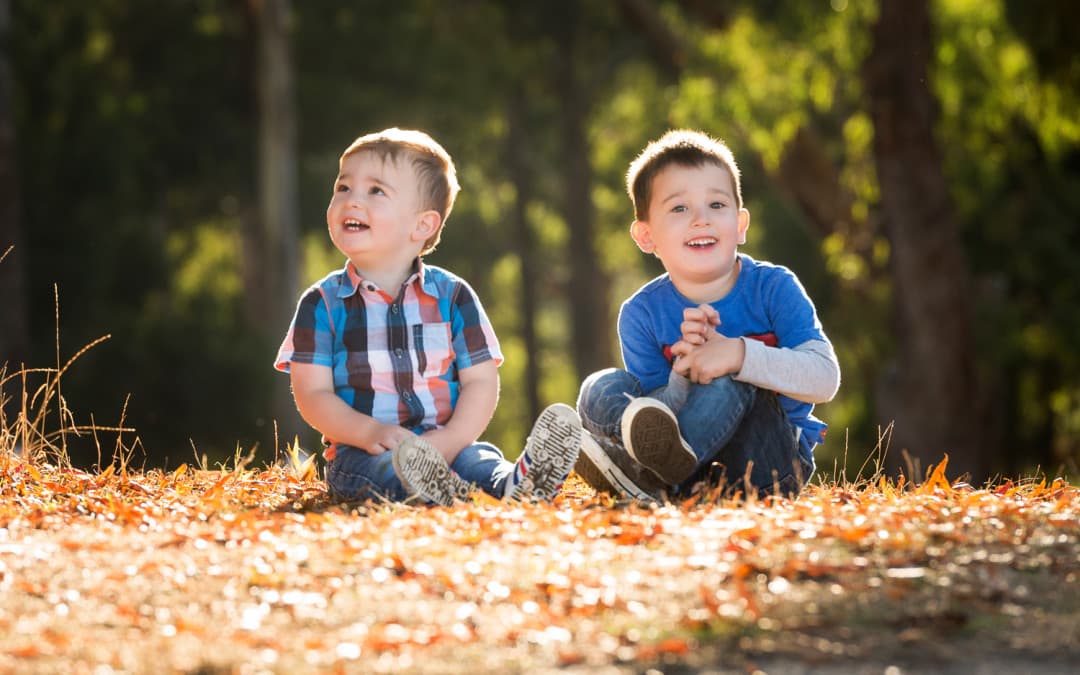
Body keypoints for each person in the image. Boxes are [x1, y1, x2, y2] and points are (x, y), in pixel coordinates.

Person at [275, 128, 581, 506]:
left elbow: (481, 382)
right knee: (387, 474)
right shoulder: (322, 304)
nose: (352, 201)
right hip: (362, 453)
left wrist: (451, 440)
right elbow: (312, 393)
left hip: (445, 441)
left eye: (376, 191)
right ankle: (440, 495)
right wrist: (367, 430)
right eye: (343, 188)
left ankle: (518, 484)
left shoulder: (453, 297)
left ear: (423, 225)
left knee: (480, 459)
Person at [574, 129, 840, 500]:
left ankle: (645, 481)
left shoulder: (773, 287)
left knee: (733, 378)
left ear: (740, 225)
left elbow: (825, 378)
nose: (701, 219)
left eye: (716, 205)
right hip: (692, 467)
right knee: (600, 387)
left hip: (766, 465)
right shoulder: (641, 314)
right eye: (679, 208)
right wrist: (681, 378)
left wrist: (737, 355)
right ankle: (654, 478)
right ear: (647, 236)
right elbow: (655, 418)